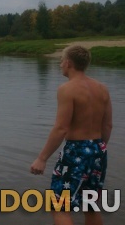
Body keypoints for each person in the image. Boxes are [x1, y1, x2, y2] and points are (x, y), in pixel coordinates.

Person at [30, 45, 112, 225]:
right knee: (91, 206)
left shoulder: (67, 89)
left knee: (59, 206)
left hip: (76, 152)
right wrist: (97, 150)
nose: (60, 65)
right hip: (99, 150)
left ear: (68, 63)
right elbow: (107, 125)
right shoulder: (103, 88)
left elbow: (61, 128)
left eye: (61, 61)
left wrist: (42, 158)